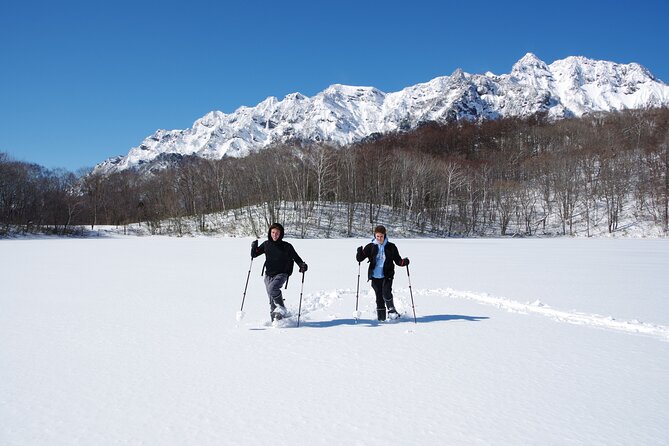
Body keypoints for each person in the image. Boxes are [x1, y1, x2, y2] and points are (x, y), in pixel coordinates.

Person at [251, 223, 308, 321]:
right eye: (273, 232)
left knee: (273, 288)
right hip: (268, 274)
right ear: (270, 233)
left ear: (280, 234)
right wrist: (253, 248)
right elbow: (255, 254)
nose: (274, 235)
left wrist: (302, 265)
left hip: (282, 273)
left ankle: (282, 308)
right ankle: (277, 320)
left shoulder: (287, 246)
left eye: (277, 233)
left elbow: (296, 258)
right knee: (271, 297)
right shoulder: (266, 244)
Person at [355, 225, 410, 321]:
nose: (379, 238)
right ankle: (381, 319)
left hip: (387, 275)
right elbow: (360, 258)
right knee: (379, 297)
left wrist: (403, 262)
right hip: (375, 276)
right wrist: (359, 253)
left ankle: (392, 312)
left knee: (386, 292)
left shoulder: (391, 247)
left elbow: (397, 260)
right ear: (375, 236)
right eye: (378, 236)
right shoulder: (371, 246)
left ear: (385, 235)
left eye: (381, 236)